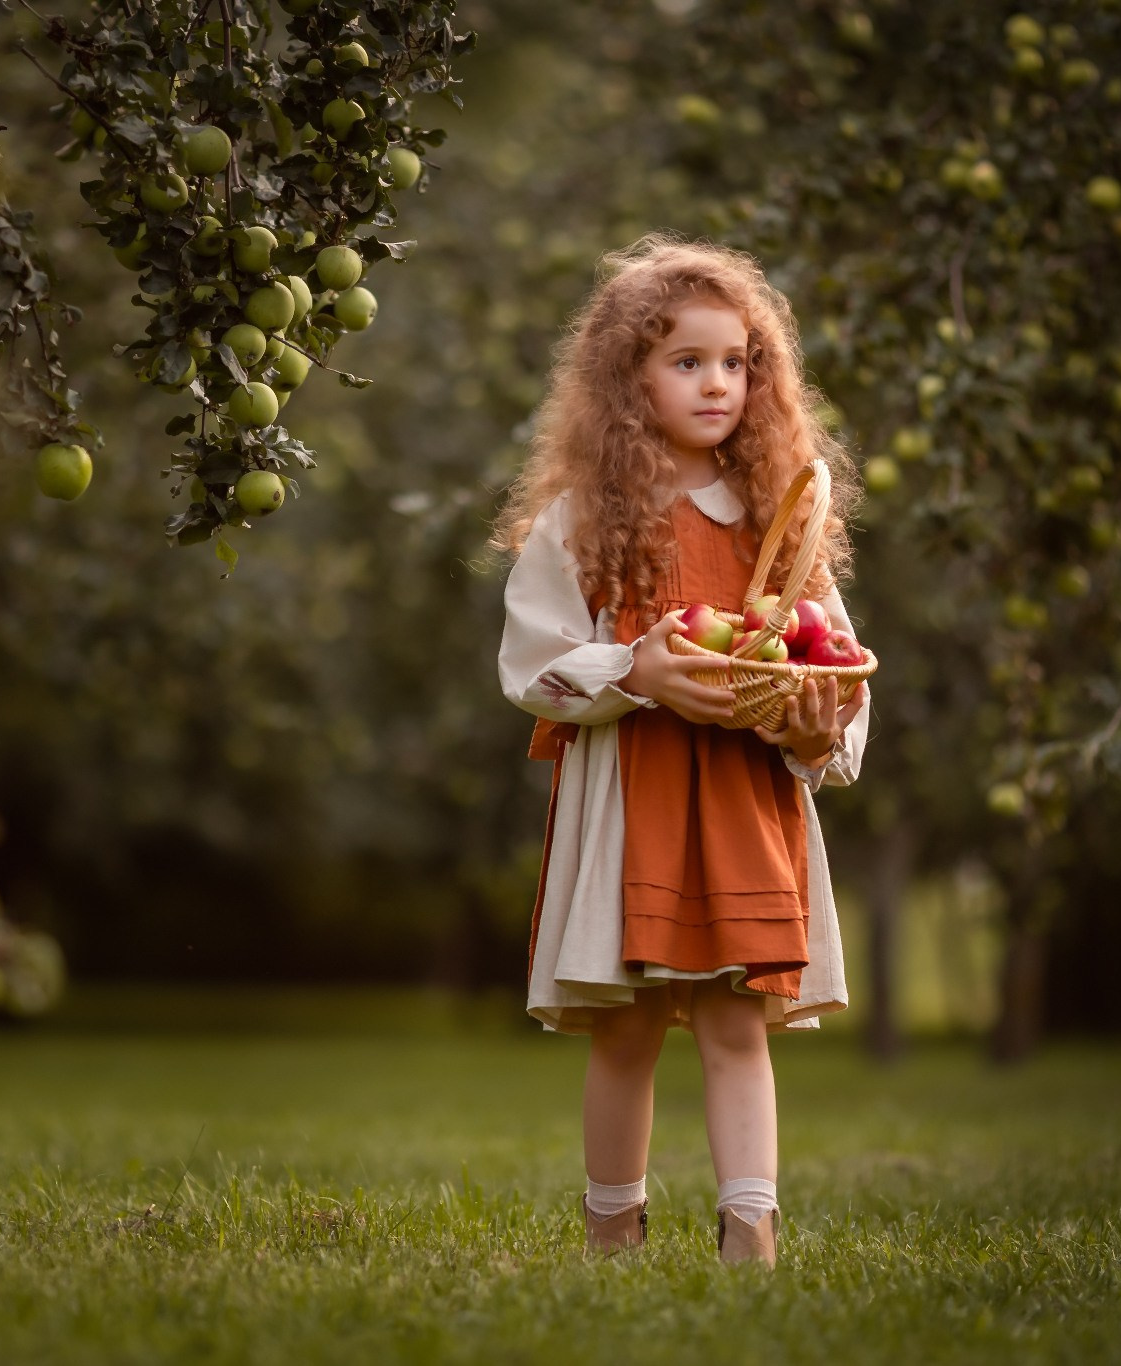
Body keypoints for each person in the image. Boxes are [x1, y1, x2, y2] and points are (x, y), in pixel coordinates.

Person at [492, 234, 870, 1267]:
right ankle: (611, 1232)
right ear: (627, 378)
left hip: (743, 796)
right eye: (685, 360)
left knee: (733, 1021)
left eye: (737, 361)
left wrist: (813, 722)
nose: (717, 383)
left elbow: (831, 663)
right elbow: (531, 666)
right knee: (623, 1025)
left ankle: (750, 1234)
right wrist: (635, 673)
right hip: (636, 798)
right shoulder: (582, 519)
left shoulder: (773, 522)